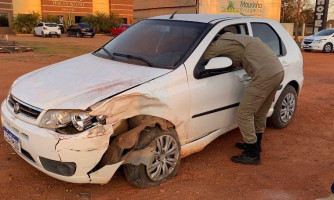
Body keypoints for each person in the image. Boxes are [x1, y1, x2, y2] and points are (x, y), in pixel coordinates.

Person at [204, 32, 284, 165]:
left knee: (244, 113)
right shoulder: (237, 37)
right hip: (277, 71)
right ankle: (256, 144)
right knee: (260, 113)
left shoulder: (218, 44)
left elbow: (201, 58)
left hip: (264, 76)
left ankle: (252, 153)